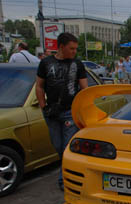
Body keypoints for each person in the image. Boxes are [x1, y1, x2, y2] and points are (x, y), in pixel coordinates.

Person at [35, 32, 88, 191]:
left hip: (69, 112)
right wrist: (43, 106)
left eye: (75, 49)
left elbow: (85, 89)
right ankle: (69, 172)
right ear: (61, 47)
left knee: (66, 147)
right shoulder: (46, 63)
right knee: (58, 146)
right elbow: (39, 86)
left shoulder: (77, 64)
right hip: (51, 112)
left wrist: (81, 108)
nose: (74, 52)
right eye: (71, 48)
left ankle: (63, 180)